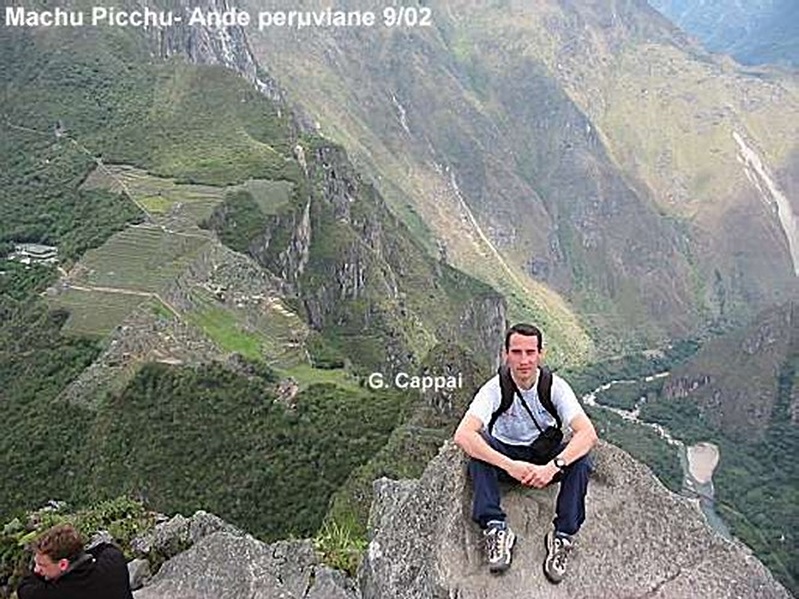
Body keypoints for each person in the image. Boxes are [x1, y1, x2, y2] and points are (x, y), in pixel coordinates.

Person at [454, 322, 597, 583]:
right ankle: (495, 527)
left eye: (530, 353)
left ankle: (562, 536)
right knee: (477, 448)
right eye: (517, 352)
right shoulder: (495, 388)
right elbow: (463, 434)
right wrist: (509, 465)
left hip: (545, 457)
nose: (524, 360)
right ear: (505, 354)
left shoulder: (555, 387)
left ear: (540, 354)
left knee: (582, 459)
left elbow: (587, 433)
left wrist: (553, 467)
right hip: (506, 456)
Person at [17, 523, 134, 599]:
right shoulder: (113, 564)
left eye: (42, 565)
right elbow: (106, 548)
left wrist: (38, 575)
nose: (37, 569)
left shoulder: (55, 593)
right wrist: (77, 554)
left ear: (63, 564)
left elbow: (23, 588)